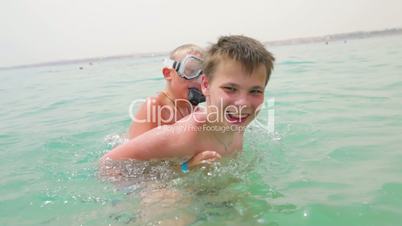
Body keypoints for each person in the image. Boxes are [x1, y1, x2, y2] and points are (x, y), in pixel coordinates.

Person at [101, 35, 275, 173]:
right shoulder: (160, 111)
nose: (243, 104)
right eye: (230, 88)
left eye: (255, 91)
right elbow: (113, 163)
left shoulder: (234, 123)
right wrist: (184, 168)